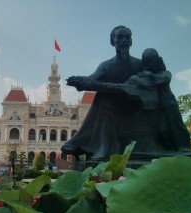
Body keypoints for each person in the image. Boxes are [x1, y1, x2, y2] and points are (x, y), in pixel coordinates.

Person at [61, 25, 143, 161]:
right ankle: (103, 148)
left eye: (127, 37)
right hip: (112, 107)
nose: (124, 40)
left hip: (136, 106)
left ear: (131, 42)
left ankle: (81, 142)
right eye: (120, 37)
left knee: (104, 97)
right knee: (104, 98)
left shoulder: (139, 65)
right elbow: (91, 80)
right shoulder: (106, 66)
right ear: (112, 42)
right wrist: (80, 81)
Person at [132, 48, 191, 151]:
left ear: (157, 61)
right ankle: (170, 149)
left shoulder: (165, 73)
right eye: (146, 62)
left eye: (151, 61)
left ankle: (184, 147)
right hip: (157, 108)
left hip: (169, 105)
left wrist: (149, 75)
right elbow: (144, 83)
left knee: (177, 126)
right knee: (162, 129)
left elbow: (162, 80)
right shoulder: (146, 76)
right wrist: (135, 78)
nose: (149, 64)